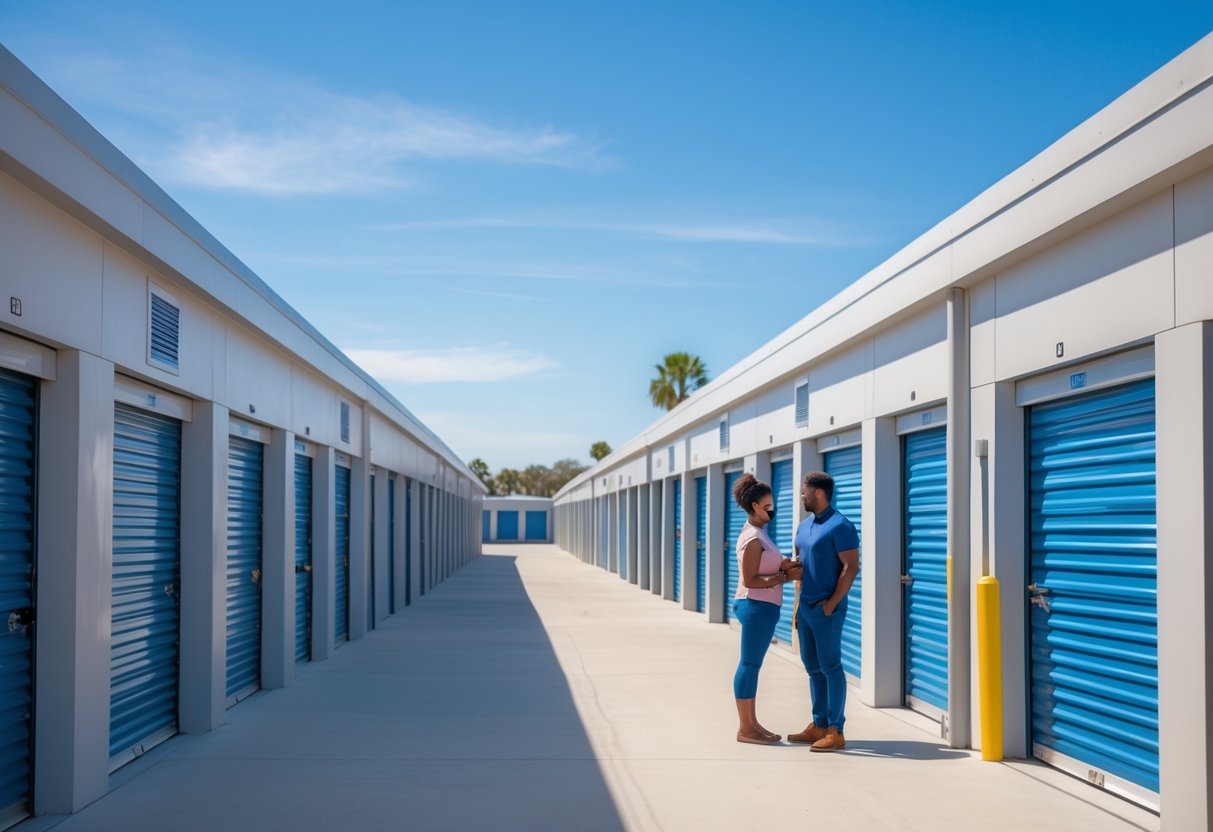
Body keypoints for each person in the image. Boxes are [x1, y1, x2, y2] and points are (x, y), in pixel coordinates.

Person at [788, 471, 859, 752]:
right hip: (805, 609)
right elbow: (801, 566)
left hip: (827, 610)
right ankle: (818, 724)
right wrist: (797, 608)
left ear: (818, 493)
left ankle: (836, 730)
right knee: (813, 668)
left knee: (831, 667)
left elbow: (851, 566)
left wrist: (831, 603)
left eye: (804, 492)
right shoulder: (803, 527)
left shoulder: (841, 526)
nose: (801, 496)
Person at [731, 473, 802, 745]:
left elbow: (765, 566)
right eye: (768, 506)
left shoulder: (760, 534)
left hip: (763, 607)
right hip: (755, 605)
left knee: (753, 665)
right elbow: (751, 579)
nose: (772, 510)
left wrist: (783, 564)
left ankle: (752, 724)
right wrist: (785, 578)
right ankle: (745, 729)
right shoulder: (753, 538)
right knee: (749, 665)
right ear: (754, 507)